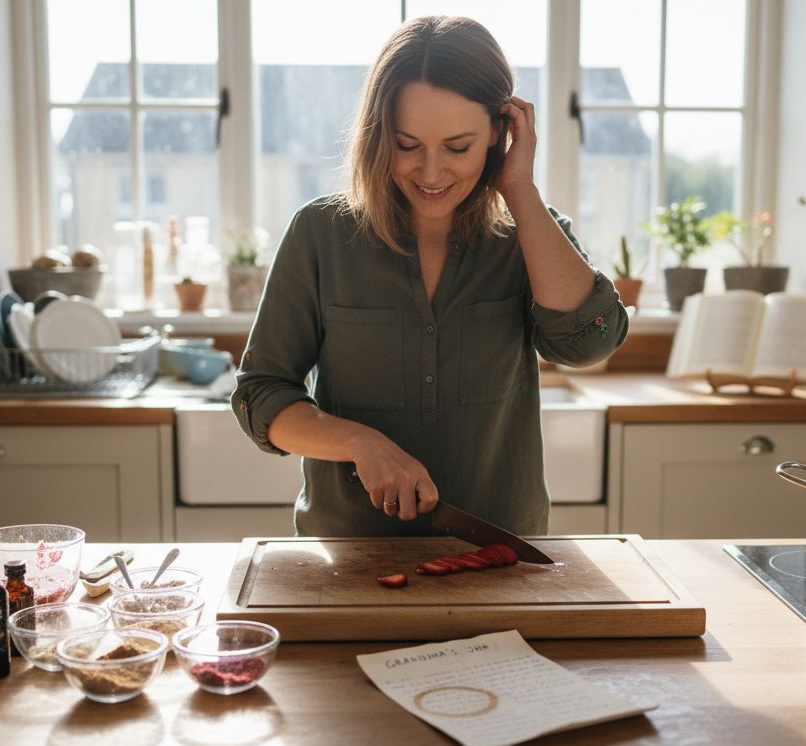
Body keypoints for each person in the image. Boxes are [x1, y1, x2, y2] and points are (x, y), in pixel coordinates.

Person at [231, 15, 627, 537]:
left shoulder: (529, 233)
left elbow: (589, 344)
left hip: (500, 553)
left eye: (458, 147)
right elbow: (261, 394)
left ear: (500, 132)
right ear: (378, 135)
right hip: (349, 559)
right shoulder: (320, 233)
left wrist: (521, 191)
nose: (432, 172)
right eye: (407, 144)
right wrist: (360, 443)